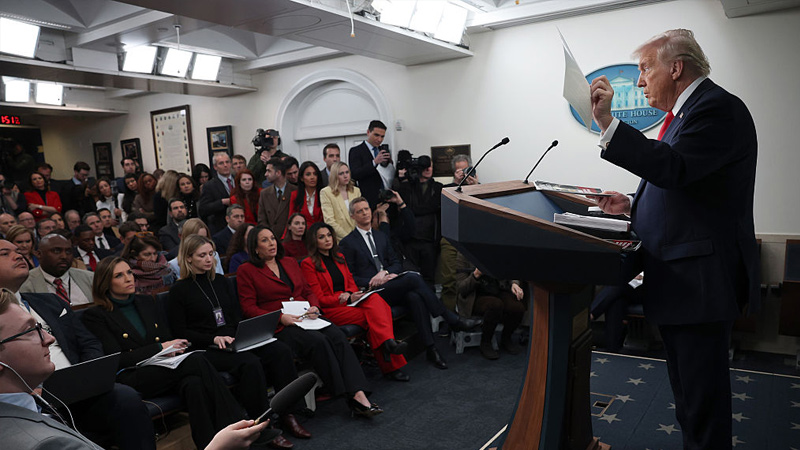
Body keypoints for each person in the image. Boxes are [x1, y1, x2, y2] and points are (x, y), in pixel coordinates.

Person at [589, 29, 759, 450]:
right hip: (683, 282)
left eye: (646, 69)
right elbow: (685, 188)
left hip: (699, 283)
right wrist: (632, 204)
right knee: (690, 404)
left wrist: (609, 124)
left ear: (676, 68)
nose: (640, 81)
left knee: (703, 407)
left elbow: (674, 168)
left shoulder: (716, 108)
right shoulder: (686, 116)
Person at [80, 257, 257, 450]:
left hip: (164, 367)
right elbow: (118, 359)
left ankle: (209, 445)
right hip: (133, 375)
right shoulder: (96, 315)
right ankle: (239, 426)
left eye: (129, 272)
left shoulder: (146, 301)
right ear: (105, 283)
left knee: (194, 384)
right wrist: (159, 348)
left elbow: (167, 338)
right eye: (119, 275)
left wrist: (173, 348)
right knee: (196, 360)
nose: (128, 278)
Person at [168, 235, 308, 447]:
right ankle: (262, 426)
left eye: (211, 254)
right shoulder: (179, 291)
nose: (209, 259)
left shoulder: (220, 281)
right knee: (250, 363)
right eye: (202, 255)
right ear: (188, 258)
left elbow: (235, 316)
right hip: (206, 348)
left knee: (279, 350)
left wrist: (243, 333)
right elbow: (180, 332)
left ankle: (289, 413)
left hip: (233, 339)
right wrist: (213, 338)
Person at [237, 226, 382, 417]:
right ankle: (349, 396)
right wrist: (280, 317)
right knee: (318, 341)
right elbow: (248, 308)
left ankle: (359, 393)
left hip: (306, 316)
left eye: (272, 238)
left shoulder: (289, 262)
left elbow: (307, 291)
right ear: (255, 248)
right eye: (264, 240)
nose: (272, 243)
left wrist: (314, 306)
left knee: (337, 336)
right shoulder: (246, 270)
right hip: (281, 325)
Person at [340, 197, 480, 370]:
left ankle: (431, 349)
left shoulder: (381, 236)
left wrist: (387, 273)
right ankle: (451, 318)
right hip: (371, 292)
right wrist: (373, 279)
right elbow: (349, 276)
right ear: (352, 216)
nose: (365, 213)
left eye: (366, 209)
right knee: (413, 278)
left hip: (389, 284)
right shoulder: (347, 243)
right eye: (359, 211)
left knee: (415, 296)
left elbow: (396, 262)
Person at [302, 222, 409, 381]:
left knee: (375, 299)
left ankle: (388, 345)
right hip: (332, 308)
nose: (327, 239)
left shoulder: (340, 257)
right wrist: (343, 298)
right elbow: (319, 298)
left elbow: (351, 283)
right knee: (376, 316)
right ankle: (390, 355)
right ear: (314, 241)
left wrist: (351, 294)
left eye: (329, 235)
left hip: (350, 301)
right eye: (321, 237)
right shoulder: (308, 264)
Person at [454, 251, 526, 360]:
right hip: (474, 296)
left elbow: (510, 268)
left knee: (517, 307)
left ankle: (506, 338)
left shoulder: (495, 250)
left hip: (496, 289)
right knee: (495, 305)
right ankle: (486, 342)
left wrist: (514, 283)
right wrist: (476, 275)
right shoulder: (464, 254)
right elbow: (461, 289)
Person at [396, 155, 442, 289]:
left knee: (429, 279)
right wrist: (404, 179)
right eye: (424, 166)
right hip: (410, 240)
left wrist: (411, 209)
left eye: (430, 166)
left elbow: (433, 206)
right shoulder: (409, 186)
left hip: (429, 240)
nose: (428, 169)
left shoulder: (438, 187)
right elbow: (404, 205)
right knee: (411, 277)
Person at [21, 234, 94, 306]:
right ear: (39, 254)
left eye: (68, 252)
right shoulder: (24, 284)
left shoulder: (90, 278)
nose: (64, 256)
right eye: (56, 251)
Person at [348, 120, 394, 208]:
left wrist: (390, 165)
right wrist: (374, 162)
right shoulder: (356, 151)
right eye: (376, 135)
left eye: (382, 136)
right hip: (368, 199)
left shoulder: (383, 150)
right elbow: (355, 174)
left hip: (386, 198)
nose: (379, 139)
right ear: (368, 132)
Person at [319, 162, 361, 241]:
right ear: (334, 176)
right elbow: (329, 221)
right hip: (340, 239)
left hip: (358, 236)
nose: (345, 176)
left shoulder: (356, 191)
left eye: (347, 172)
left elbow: (360, 215)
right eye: (341, 173)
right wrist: (348, 238)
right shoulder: (326, 192)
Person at [257, 158, 296, 239]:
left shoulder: (295, 191)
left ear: (278, 173)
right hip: (272, 239)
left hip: (291, 238)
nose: (265, 174)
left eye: (269, 171)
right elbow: (262, 220)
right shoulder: (264, 194)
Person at [199, 153, 235, 234]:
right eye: (221, 163)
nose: (225, 165)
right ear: (215, 167)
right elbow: (203, 209)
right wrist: (221, 202)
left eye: (227, 162)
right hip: (221, 226)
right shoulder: (210, 185)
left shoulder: (238, 180)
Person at [288, 162, 324, 233]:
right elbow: (291, 218)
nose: (312, 177)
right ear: (301, 178)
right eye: (308, 174)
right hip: (303, 234)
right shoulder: (295, 195)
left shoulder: (324, 194)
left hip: (321, 232)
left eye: (315, 174)